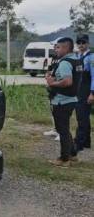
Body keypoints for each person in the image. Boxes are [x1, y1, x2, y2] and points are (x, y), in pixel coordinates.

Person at [46, 37, 82, 167]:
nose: (56, 50)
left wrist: (52, 83)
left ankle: (64, 159)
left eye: (58, 47)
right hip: (71, 99)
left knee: (62, 130)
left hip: (62, 101)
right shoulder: (76, 60)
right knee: (65, 129)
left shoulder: (65, 62)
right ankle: (72, 154)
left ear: (66, 48)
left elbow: (68, 81)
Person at [75, 34, 93, 151]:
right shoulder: (77, 56)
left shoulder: (91, 58)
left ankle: (79, 142)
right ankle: (86, 141)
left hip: (87, 91)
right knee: (83, 116)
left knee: (82, 116)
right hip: (78, 91)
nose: (81, 45)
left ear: (88, 43)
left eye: (83, 43)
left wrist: (92, 93)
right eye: (79, 43)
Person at [43, 38, 62, 141]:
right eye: (54, 46)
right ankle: (55, 129)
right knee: (52, 109)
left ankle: (61, 131)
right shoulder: (54, 57)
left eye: (56, 46)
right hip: (52, 87)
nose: (55, 48)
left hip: (60, 87)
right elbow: (50, 69)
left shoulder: (65, 58)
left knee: (60, 110)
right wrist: (47, 75)